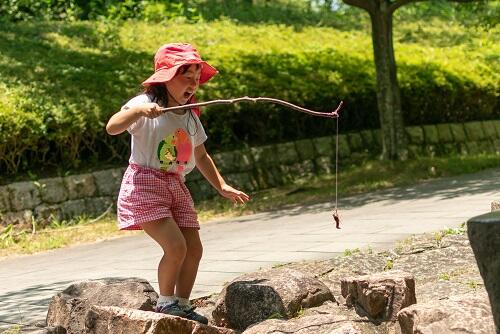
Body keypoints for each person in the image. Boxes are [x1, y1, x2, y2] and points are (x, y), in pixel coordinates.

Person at [106, 43, 250, 324]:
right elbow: (112, 126)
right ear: (165, 77)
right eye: (187, 76)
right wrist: (138, 112)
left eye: (197, 77)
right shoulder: (144, 104)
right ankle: (164, 302)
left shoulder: (191, 114)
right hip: (145, 184)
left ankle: (181, 304)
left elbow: (201, 155)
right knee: (176, 247)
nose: (193, 83)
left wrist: (222, 186)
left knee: (194, 248)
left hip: (176, 184)